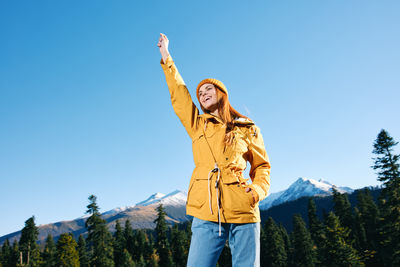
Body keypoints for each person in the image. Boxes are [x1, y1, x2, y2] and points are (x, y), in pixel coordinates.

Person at [157, 33, 271, 267]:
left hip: (243, 208)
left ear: (222, 93)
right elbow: (179, 94)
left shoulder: (247, 128)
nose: (203, 94)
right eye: (200, 93)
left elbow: (262, 166)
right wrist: (167, 57)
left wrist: (256, 192)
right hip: (206, 210)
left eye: (208, 89)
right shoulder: (197, 124)